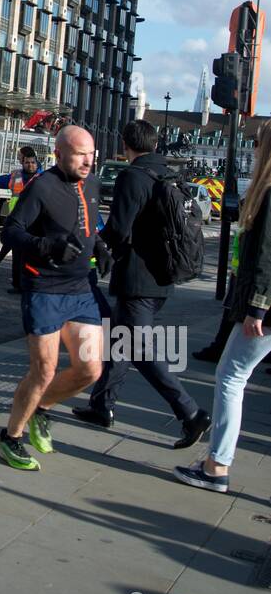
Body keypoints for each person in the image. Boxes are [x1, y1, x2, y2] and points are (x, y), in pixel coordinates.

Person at [72, 119, 211, 448]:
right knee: (121, 343)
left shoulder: (133, 176)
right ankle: (101, 405)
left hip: (138, 278)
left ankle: (190, 413)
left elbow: (119, 229)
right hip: (162, 276)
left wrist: (94, 247)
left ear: (126, 144)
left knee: (140, 349)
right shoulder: (168, 174)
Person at [0, 125, 110, 471]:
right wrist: (46, 246)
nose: (88, 161)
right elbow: (10, 232)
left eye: (91, 153)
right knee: (44, 369)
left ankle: (40, 410)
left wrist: (102, 245)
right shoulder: (41, 187)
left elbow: (92, 223)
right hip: (44, 288)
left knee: (91, 368)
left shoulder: (91, 182)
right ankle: (11, 437)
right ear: (59, 154)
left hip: (80, 290)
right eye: (80, 154)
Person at [175, 121, 271, 493]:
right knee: (233, 375)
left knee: (231, 377)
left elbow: (266, 255)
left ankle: (217, 465)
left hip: (262, 307)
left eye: (259, 143)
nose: (255, 147)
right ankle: (217, 461)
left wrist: (257, 308)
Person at [0, 146, 42, 289]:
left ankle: (1, 266)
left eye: (32, 162)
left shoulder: (40, 177)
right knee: (16, 250)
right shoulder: (17, 175)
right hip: (17, 217)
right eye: (27, 162)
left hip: (32, 221)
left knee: (23, 253)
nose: (30, 165)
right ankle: (17, 283)